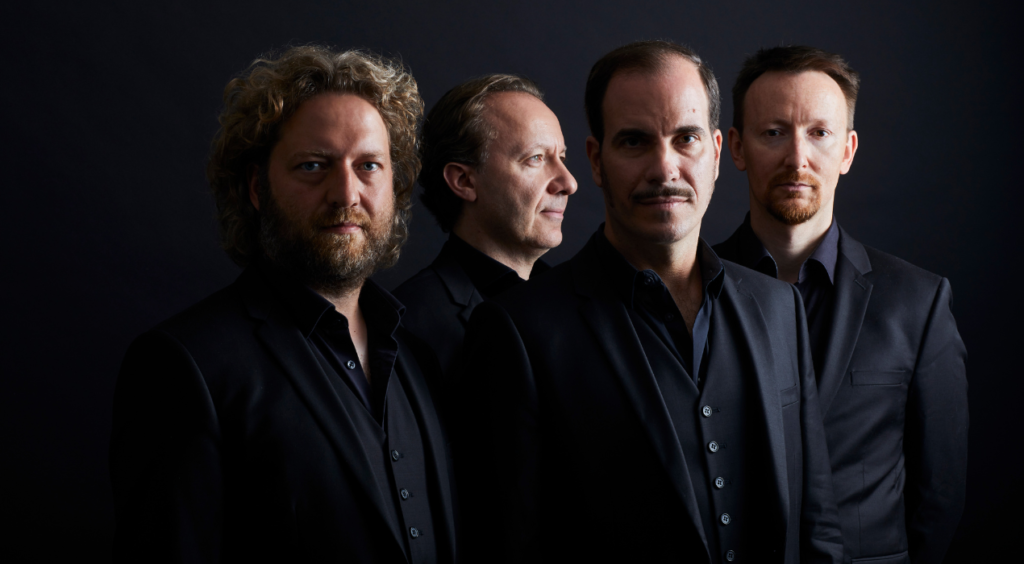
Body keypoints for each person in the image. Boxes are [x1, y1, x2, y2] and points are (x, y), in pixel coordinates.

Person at [456, 40, 842, 564]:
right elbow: (510, 547)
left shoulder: (779, 308)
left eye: (686, 139)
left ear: (716, 152)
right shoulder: (519, 331)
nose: (665, 168)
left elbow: (817, 524)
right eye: (635, 142)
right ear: (597, 161)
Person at [109, 46, 455, 563]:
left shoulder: (417, 357)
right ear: (256, 188)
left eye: (369, 166)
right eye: (313, 166)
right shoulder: (184, 365)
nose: (346, 193)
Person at [714, 45, 967, 564]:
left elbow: (939, 496)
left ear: (848, 151)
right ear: (736, 148)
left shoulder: (918, 303)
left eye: (819, 133)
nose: (797, 158)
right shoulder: (694, 289)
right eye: (773, 132)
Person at [393, 74, 576, 385]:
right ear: (464, 181)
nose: (569, 182)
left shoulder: (573, 301)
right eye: (535, 158)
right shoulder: (408, 327)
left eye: (561, 157)